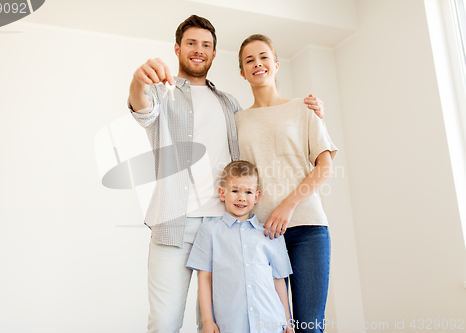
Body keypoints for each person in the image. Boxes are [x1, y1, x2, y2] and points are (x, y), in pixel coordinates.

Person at [128, 15, 325, 333]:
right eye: (191, 43)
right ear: (177, 49)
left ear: (214, 54)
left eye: (206, 45)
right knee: (164, 323)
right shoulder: (160, 93)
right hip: (174, 225)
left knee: (216, 322)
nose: (198, 50)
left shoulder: (229, 104)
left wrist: (310, 110)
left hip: (224, 227)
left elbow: (263, 129)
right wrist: (138, 80)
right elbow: (141, 107)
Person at [235, 34, 338, 333]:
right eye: (249, 60)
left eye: (264, 57)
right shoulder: (238, 121)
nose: (258, 64)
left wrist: (288, 206)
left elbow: (325, 167)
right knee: (274, 327)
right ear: (242, 72)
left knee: (309, 327)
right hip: (261, 234)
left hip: (308, 229)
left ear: (276, 64)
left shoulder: (304, 108)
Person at [187, 160, 294, 333]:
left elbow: (279, 281)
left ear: (257, 196)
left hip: (270, 323)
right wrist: (207, 321)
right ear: (222, 193)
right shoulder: (210, 231)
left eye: (248, 192)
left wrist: (288, 322)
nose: (241, 197)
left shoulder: (270, 234)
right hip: (230, 325)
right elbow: (205, 278)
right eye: (235, 190)